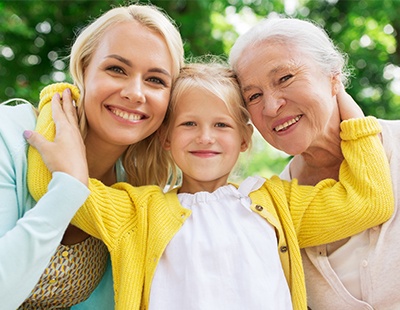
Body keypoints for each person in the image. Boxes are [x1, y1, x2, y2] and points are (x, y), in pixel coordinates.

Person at [25, 60, 393, 310]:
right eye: (188, 125)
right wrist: (60, 98)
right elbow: (50, 186)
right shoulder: (136, 213)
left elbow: (370, 201)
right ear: (166, 137)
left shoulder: (279, 203)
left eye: (221, 125)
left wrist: (348, 109)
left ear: (245, 138)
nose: (205, 137)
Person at [0, 3, 184, 309]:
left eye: (155, 80)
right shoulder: (9, 137)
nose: (135, 93)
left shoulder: (134, 191)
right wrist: (69, 187)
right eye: (116, 69)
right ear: (84, 69)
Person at [229, 15, 399, 309]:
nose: (270, 107)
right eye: (254, 96)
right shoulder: (275, 208)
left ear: (334, 76)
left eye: (285, 78)